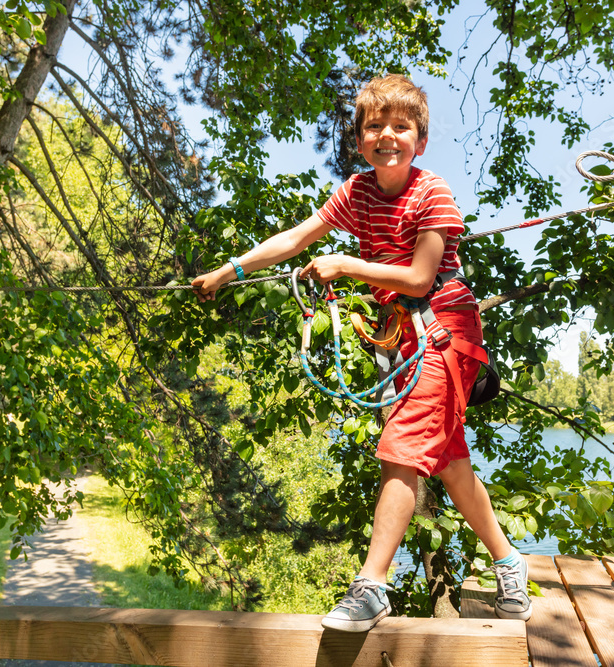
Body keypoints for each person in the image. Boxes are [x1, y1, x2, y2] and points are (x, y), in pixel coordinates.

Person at [192, 73, 531, 631]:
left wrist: (347, 264)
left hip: (444, 329)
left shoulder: (432, 193)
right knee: (447, 462)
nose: (387, 136)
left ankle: (372, 585)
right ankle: (509, 561)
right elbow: (297, 238)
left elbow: (422, 277)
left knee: (400, 450)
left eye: (401, 126)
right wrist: (232, 271)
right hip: (406, 333)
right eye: (375, 126)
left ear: (419, 141)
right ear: (361, 140)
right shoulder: (357, 192)